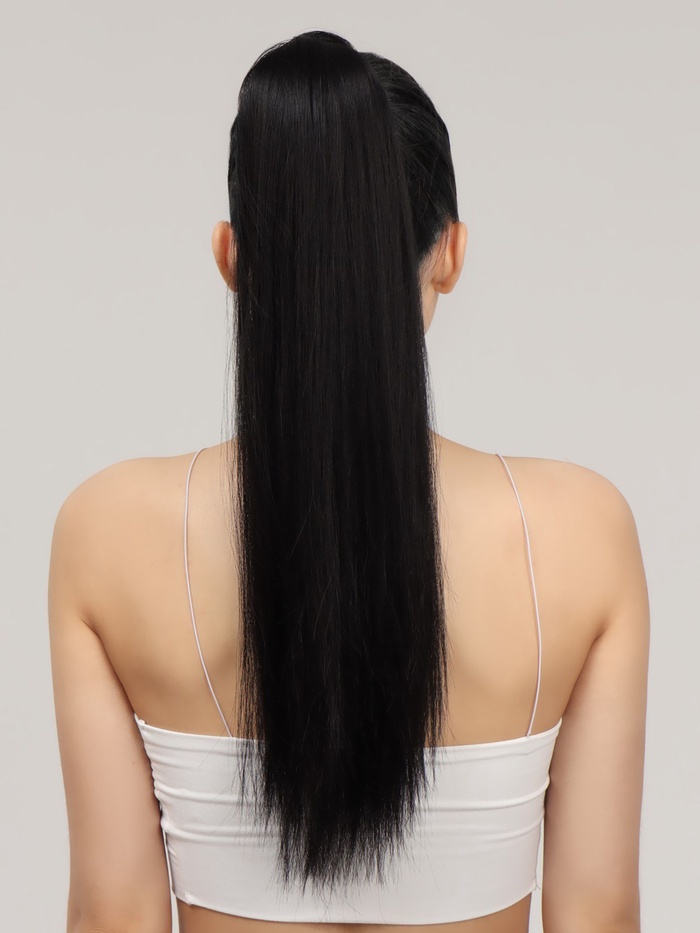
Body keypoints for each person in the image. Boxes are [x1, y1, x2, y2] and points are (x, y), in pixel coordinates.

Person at [48, 29, 649, 933]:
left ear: (232, 258)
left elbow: (112, 916)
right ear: (450, 252)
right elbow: (597, 914)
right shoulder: (579, 534)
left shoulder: (107, 533)